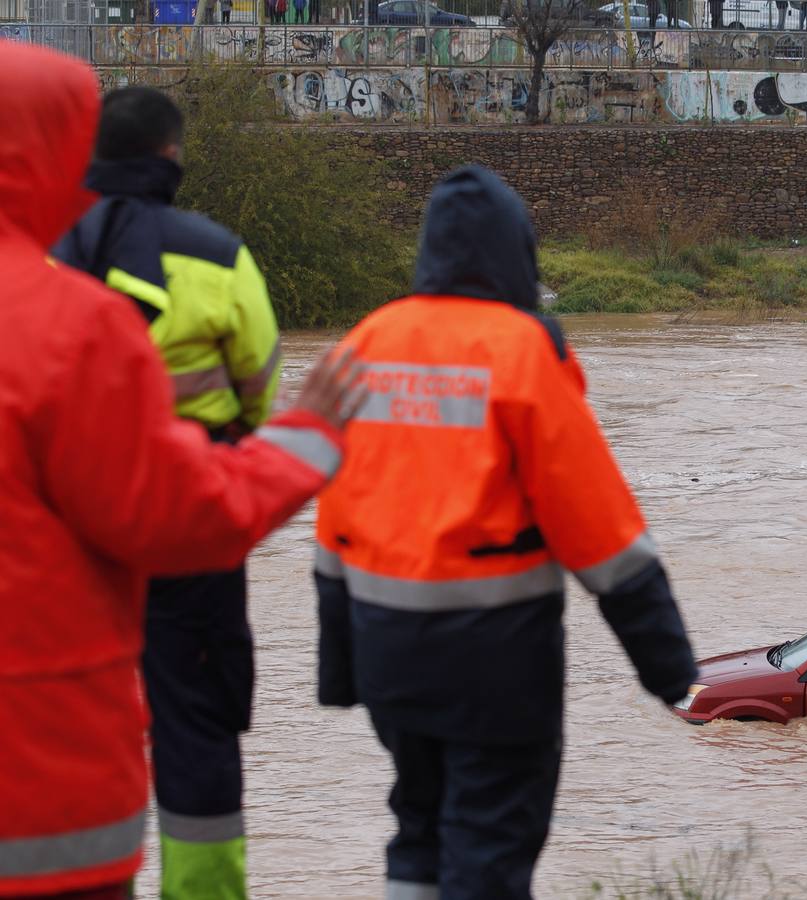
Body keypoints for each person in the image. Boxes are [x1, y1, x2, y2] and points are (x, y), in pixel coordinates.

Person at [0, 42, 363, 899]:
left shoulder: (61, 270)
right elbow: (256, 378)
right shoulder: (89, 313)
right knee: (196, 725)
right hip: (173, 531)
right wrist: (303, 440)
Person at [314, 165, 697, 900]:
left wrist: (339, 669)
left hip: (386, 649)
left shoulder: (365, 341)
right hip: (493, 659)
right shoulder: (525, 349)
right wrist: (670, 670)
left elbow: (336, 523)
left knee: (418, 826)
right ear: (515, 252)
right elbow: (601, 532)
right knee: (490, 839)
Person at [52, 86, 282, 900]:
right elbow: (260, 383)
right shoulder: (216, 254)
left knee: (62, 713)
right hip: (190, 514)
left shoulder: (46, 252)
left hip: (66, 522)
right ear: (173, 155)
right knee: (198, 721)